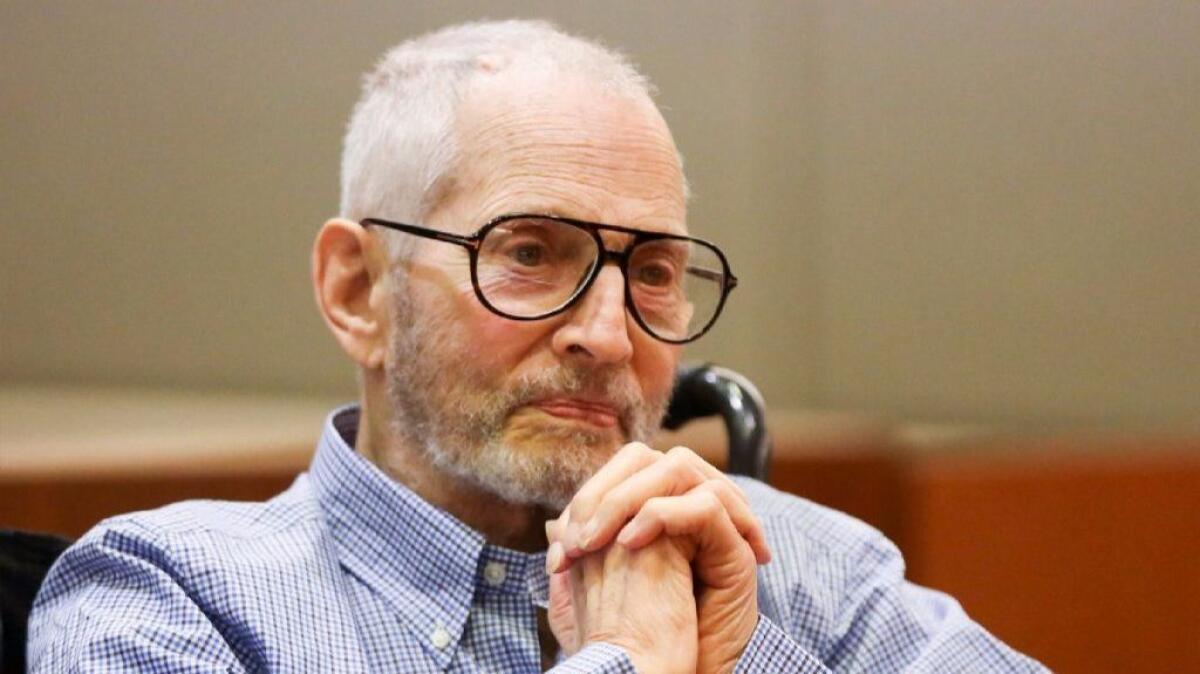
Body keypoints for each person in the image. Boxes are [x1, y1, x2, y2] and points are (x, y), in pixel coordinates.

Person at [28, 20, 1045, 673]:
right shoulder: (169, 596)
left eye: (651, 271)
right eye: (527, 252)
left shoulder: (803, 568)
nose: (608, 334)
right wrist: (631, 666)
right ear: (357, 291)